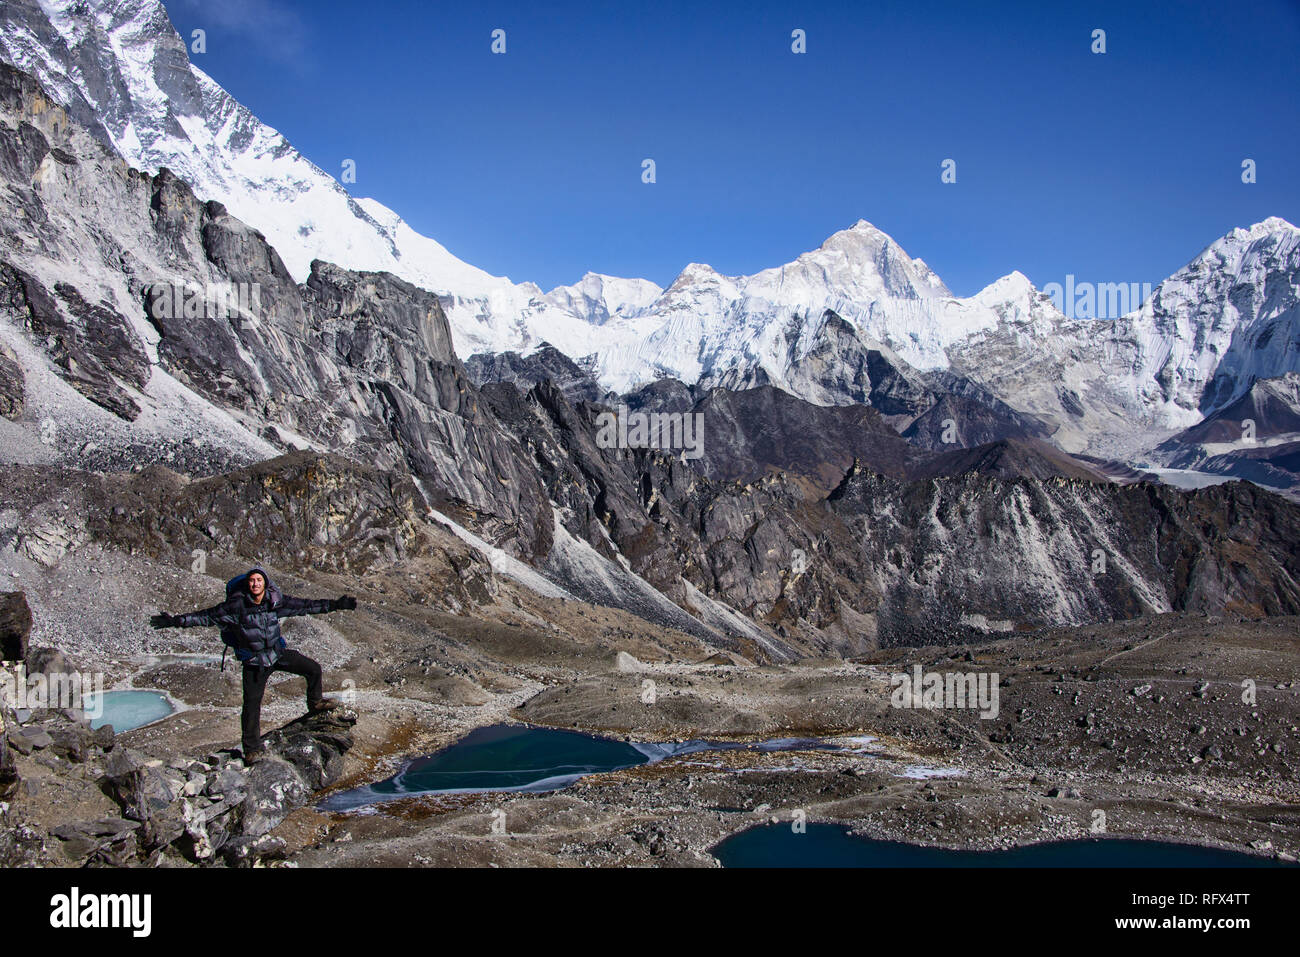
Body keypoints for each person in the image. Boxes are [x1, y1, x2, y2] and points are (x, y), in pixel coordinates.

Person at [151, 567, 357, 762]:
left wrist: (336, 605)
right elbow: (206, 617)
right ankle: (251, 749)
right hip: (254, 661)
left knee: (313, 669)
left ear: (266, 584)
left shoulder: (275, 602)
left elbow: (305, 606)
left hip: (277, 653)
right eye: (251, 581)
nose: (255, 584)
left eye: (259, 580)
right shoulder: (235, 606)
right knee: (251, 705)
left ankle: (316, 703)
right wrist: (175, 621)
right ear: (247, 585)